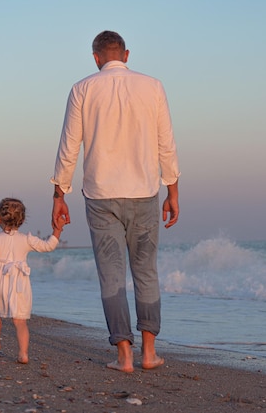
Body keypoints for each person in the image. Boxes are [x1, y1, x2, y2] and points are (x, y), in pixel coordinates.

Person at [51, 30, 180, 373]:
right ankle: (150, 353)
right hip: (144, 192)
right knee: (146, 273)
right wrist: (173, 191)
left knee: (111, 277)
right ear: (126, 55)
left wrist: (58, 195)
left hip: (100, 195)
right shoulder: (153, 86)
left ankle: (124, 356)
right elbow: (165, 142)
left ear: (96, 58)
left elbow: (69, 146)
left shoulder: (82, 88)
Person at [0, 197, 66, 364]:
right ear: (22, 220)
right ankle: (23, 354)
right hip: (20, 284)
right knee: (20, 321)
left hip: (0, 282)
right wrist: (57, 230)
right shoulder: (27, 239)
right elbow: (48, 246)